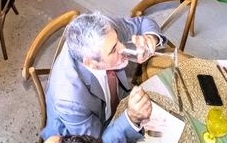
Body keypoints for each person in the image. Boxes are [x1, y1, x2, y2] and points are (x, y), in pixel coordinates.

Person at [41, 12, 164, 142]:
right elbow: (98, 141)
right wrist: (131, 118)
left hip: (117, 105)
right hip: (85, 133)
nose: (122, 47)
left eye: (117, 41)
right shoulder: (70, 101)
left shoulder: (106, 33)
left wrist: (151, 38)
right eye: (113, 50)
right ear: (91, 64)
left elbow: (142, 22)